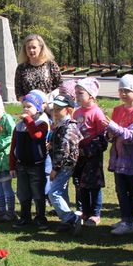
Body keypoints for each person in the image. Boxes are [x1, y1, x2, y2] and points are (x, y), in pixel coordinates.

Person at [103, 75, 133, 235]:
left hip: (131, 160)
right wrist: (109, 135)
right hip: (118, 159)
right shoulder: (117, 110)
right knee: (120, 190)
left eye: (127, 90)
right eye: (121, 90)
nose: (123, 93)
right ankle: (124, 219)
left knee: (131, 191)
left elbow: (132, 137)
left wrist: (114, 128)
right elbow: (112, 133)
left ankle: (130, 222)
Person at [10, 90, 51, 229]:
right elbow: (13, 146)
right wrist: (12, 165)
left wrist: (28, 120)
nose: (25, 109)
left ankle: (40, 218)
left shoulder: (42, 123)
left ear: (38, 108)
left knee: (38, 193)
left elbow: (37, 136)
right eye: (24, 106)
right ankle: (25, 217)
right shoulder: (19, 125)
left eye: (29, 106)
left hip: (36, 165)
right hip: (21, 165)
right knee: (23, 193)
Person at [72, 78, 108, 226]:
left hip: (92, 155)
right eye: (76, 93)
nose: (77, 96)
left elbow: (102, 137)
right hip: (79, 154)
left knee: (94, 185)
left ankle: (95, 213)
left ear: (91, 95)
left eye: (80, 93)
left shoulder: (97, 113)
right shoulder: (77, 112)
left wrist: (89, 150)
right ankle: (85, 212)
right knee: (82, 184)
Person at [47, 94, 83, 233]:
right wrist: (52, 145)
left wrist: (55, 169)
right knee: (61, 192)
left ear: (68, 110)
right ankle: (66, 222)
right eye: (54, 108)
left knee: (54, 193)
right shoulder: (61, 125)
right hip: (64, 164)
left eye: (59, 109)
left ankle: (71, 218)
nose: (55, 112)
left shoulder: (68, 127)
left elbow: (63, 151)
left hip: (64, 166)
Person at [14, 34, 62, 101]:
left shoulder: (51, 65)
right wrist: (27, 102)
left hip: (49, 104)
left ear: (41, 48)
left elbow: (60, 87)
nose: (31, 50)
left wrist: (48, 101)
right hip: (29, 105)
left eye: (34, 47)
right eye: (28, 48)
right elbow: (18, 92)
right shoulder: (21, 68)